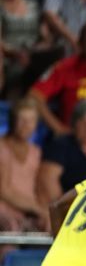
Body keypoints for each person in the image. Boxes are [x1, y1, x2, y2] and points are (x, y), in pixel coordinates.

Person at [0, 97, 46, 232]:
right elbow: (3, 190)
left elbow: (39, 188)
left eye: (31, 120)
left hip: (28, 213)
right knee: (9, 228)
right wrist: (36, 208)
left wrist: (43, 211)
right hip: (5, 210)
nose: (26, 125)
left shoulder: (36, 152)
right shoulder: (2, 147)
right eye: (22, 119)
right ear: (13, 121)